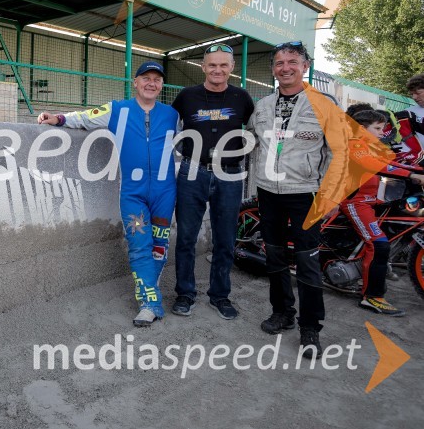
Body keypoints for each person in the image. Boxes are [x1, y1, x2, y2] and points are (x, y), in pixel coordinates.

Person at [38, 61, 179, 327]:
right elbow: (84, 117)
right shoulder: (117, 109)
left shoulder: (172, 114)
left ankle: (150, 284)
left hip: (165, 192)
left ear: (162, 85)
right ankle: (150, 303)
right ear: (135, 82)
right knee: (139, 244)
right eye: (145, 78)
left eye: (157, 80)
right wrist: (57, 118)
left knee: (159, 246)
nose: (151, 83)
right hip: (133, 194)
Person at [247, 41, 349, 359]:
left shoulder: (324, 104)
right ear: (274, 69)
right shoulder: (262, 106)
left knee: (307, 263)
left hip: (306, 194)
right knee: (274, 257)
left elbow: (339, 152)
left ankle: (310, 328)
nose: (285, 67)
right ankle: (283, 313)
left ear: (305, 66)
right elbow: (253, 143)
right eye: (279, 62)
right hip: (268, 192)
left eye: (293, 61)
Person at [170, 44, 254, 320]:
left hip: (230, 174)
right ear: (204, 67)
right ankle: (185, 293)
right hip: (192, 172)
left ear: (232, 68)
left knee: (225, 240)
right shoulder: (186, 97)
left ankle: (220, 296)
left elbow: (258, 132)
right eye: (212, 65)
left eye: (224, 65)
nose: (218, 70)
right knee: (185, 238)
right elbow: (165, 125)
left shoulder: (242, 98)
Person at [340, 109, 424, 316]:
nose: (382, 132)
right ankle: (372, 297)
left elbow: (389, 164)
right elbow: (375, 165)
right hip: (355, 202)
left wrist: (419, 171)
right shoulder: (354, 144)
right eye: (377, 128)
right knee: (378, 245)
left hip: (372, 200)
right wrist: (411, 174)